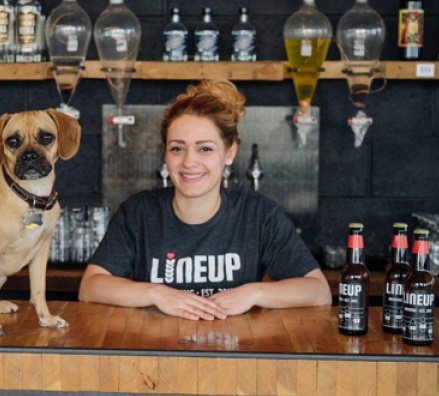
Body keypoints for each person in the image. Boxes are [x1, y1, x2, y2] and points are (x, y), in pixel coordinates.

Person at [79, 79, 331, 320]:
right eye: (177, 148)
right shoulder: (139, 213)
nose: (189, 162)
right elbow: (90, 287)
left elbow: (318, 292)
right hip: (156, 355)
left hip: (234, 355)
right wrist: (156, 293)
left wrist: (254, 293)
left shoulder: (258, 215)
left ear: (229, 152)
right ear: (165, 152)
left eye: (205, 149)